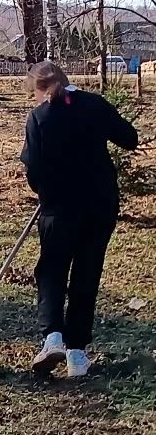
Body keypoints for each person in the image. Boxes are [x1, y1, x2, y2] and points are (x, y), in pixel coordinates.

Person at [20, 61, 138, 378]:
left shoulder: (40, 117)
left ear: (40, 90)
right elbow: (130, 138)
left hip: (59, 209)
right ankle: (77, 355)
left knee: (51, 272)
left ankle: (53, 338)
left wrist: (45, 189)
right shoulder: (94, 105)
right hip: (99, 205)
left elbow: (32, 169)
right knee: (86, 274)